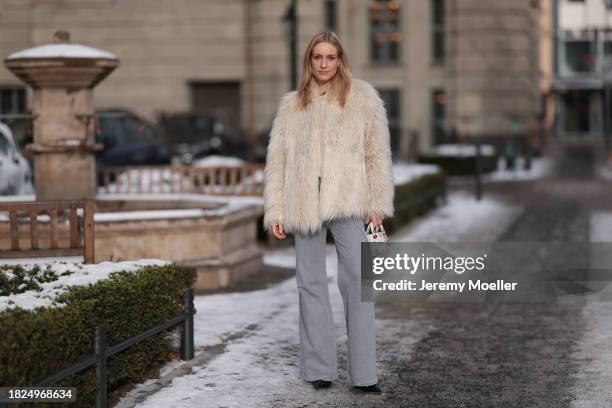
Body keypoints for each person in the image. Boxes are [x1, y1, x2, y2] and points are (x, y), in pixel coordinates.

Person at [263, 31, 394, 393]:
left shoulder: (363, 99)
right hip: (303, 203)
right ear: (310, 61)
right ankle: (320, 369)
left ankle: (364, 374)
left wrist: (376, 204)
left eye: (330, 57)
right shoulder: (292, 105)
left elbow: (376, 154)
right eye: (317, 57)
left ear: (340, 60)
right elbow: (278, 161)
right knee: (311, 285)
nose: (324, 64)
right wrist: (276, 208)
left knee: (358, 283)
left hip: (348, 201)